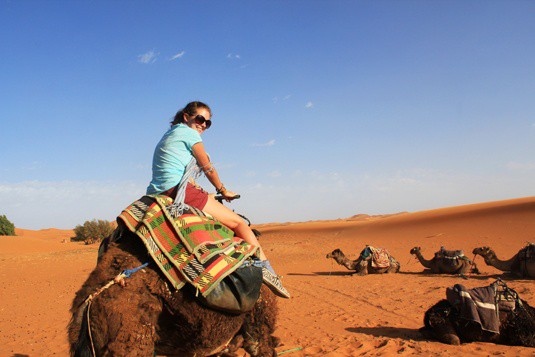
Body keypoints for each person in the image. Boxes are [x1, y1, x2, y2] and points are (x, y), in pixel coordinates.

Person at [147, 101, 290, 298]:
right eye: (200, 119)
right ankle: (266, 269)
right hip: (178, 192)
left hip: (157, 192)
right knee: (239, 223)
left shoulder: (170, 134)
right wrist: (223, 190)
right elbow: (207, 167)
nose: (203, 125)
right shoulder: (189, 134)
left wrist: (208, 195)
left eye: (208, 123)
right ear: (186, 117)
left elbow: (179, 173)